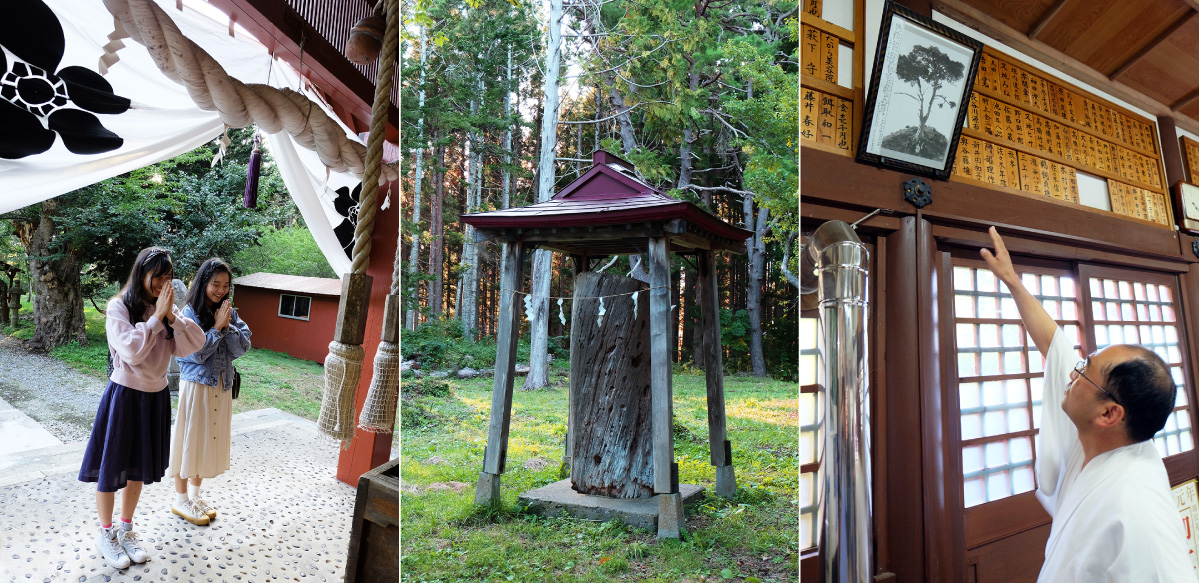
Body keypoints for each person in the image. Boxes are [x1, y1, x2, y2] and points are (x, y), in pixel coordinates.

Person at [980, 227, 1193, 581]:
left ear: (1109, 413)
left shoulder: (1138, 507)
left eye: (1084, 370)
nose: (1072, 374)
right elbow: (1055, 345)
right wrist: (1012, 281)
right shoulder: (1103, 439)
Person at [78, 247, 207, 570]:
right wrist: (153, 320)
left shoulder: (166, 311)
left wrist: (171, 317)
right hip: (124, 396)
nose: (163, 282)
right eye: (157, 275)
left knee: (135, 468)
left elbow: (196, 343)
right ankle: (105, 534)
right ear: (142, 274)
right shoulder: (118, 307)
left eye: (168, 276)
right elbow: (133, 352)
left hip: (155, 398)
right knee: (111, 468)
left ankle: (126, 528)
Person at [166, 258, 251, 525]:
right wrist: (216, 329)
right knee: (189, 441)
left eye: (226, 285)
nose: (221, 290)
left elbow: (243, 348)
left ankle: (195, 496)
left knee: (206, 441)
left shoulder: (229, 312)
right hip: (197, 386)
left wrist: (227, 325)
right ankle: (181, 502)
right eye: (216, 284)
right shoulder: (188, 313)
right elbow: (195, 355)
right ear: (204, 282)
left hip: (221, 386)